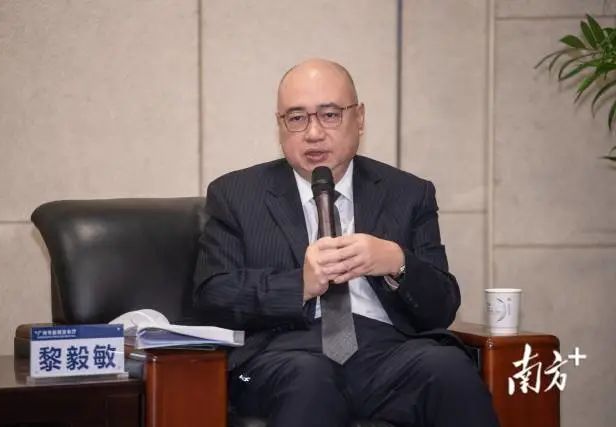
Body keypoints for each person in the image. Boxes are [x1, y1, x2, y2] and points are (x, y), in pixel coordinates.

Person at [193, 59, 499, 427]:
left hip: (388, 355)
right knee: (310, 378)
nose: (313, 133)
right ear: (280, 125)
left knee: (448, 367)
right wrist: (299, 284)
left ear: (360, 118)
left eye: (330, 115)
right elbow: (213, 295)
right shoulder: (236, 195)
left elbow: (442, 307)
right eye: (296, 118)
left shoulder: (408, 193)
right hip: (282, 356)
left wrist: (397, 262)